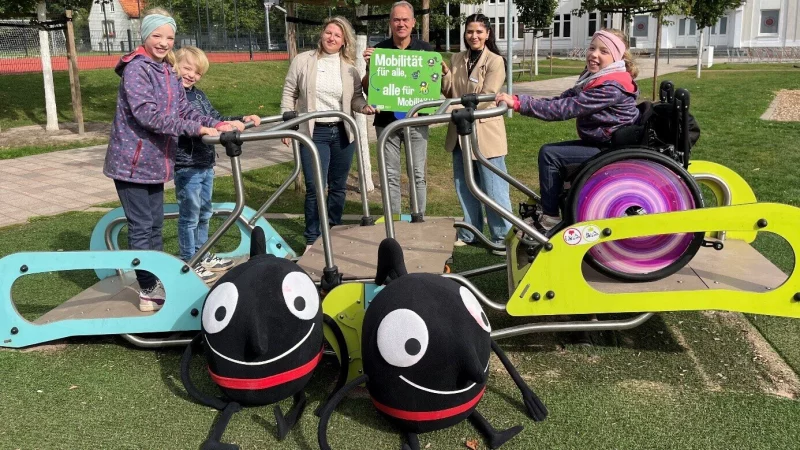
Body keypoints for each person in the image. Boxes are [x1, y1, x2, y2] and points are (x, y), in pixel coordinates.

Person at [103, 8, 233, 312]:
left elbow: (185, 111)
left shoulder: (166, 70)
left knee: (156, 225)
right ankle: (147, 288)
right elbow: (148, 115)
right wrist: (197, 128)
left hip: (155, 162)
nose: (163, 42)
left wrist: (217, 124)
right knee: (142, 225)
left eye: (169, 37)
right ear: (145, 35)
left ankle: (157, 277)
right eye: (157, 35)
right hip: (130, 162)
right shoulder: (138, 69)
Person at [496, 29, 640, 232]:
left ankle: (550, 218)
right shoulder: (595, 78)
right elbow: (562, 100)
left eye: (603, 51)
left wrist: (520, 105)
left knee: (550, 155)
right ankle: (555, 206)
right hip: (602, 142)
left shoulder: (611, 87)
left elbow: (565, 109)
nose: (594, 54)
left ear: (617, 57)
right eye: (592, 48)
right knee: (555, 155)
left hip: (610, 148)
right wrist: (519, 100)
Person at [281, 16, 376, 252]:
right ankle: (312, 237)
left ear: (344, 41)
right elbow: (289, 93)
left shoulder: (350, 68)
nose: (331, 38)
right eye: (328, 33)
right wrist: (287, 124)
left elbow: (355, 98)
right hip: (314, 134)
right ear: (321, 34)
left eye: (337, 35)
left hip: (342, 133)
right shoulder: (303, 61)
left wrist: (363, 107)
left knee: (338, 187)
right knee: (315, 187)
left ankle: (332, 229)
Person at [173, 46, 262, 284]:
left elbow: (216, 117)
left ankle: (203, 253)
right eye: (187, 68)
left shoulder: (199, 95)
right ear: (176, 66)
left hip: (205, 162)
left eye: (198, 72)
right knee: (189, 215)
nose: (192, 75)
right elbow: (184, 122)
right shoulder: (172, 95)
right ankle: (190, 260)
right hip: (187, 163)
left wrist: (240, 119)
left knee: (204, 213)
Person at [441, 13, 512, 256]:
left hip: (485, 133)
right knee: (465, 186)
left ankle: (502, 236)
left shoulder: (495, 61)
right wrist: (443, 76)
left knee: (493, 187)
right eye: (470, 32)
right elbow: (451, 90)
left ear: (488, 34)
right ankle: (470, 232)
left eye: (479, 32)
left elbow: (487, 95)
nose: (474, 36)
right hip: (460, 133)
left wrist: (454, 109)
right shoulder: (457, 58)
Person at [362, 0, 432, 217]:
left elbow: (431, 87)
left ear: (413, 22)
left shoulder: (425, 50)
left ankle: (418, 217)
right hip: (386, 122)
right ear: (390, 23)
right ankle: (394, 220)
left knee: (417, 174)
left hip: (416, 121)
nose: (401, 23)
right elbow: (368, 89)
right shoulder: (380, 51)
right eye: (396, 19)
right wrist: (369, 69)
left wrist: (442, 72)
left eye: (405, 19)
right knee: (390, 174)